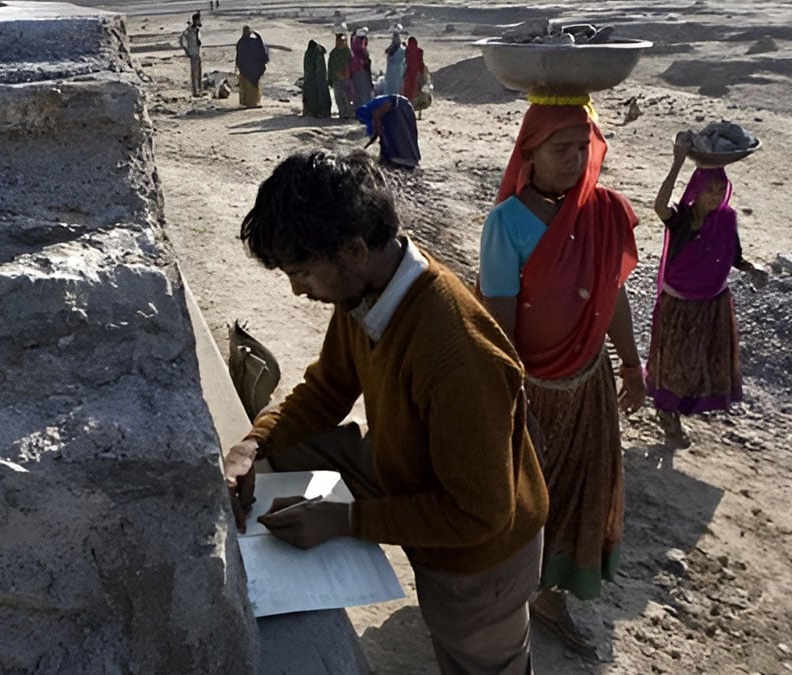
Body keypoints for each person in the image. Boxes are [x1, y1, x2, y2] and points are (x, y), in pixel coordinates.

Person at [226, 150, 550, 674]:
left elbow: (481, 514)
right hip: (425, 485)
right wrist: (252, 445)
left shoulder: (456, 356)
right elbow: (328, 389)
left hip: (481, 561)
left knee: (477, 657)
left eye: (302, 271)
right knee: (289, 449)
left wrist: (347, 520)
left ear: (353, 249)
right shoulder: (368, 292)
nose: (296, 289)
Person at [477, 102, 644, 655]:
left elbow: (611, 295)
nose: (574, 160)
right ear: (529, 154)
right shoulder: (505, 225)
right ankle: (503, 598)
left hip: (589, 384)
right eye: (560, 149)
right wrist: (508, 400)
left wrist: (632, 363)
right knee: (525, 497)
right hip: (533, 391)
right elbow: (498, 323)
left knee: (578, 491)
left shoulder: (605, 213)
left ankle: (551, 597)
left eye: (582, 147)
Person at [646, 134, 767, 447]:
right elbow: (659, 206)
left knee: (700, 360)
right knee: (673, 359)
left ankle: (682, 406)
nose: (714, 196)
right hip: (679, 301)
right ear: (695, 190)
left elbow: (734, 256)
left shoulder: (725, 221)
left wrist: (752, 269)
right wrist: (677, 163)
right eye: (708, 189)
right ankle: (667, 414)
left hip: (713, 303)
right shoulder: (682, 218)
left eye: (719, 189)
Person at [356, 95, 419, 168]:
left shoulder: (374, 110)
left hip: (401, 106)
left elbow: (389, 103)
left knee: (402, 134)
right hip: (396, 109)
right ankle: (393, 157)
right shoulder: (373, 112)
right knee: (390, 134)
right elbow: (376, 130)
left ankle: (406, 159)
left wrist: (378, 130)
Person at [235, 26, 269, 108]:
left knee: (246, 86)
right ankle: (251, 102)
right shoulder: (254, 42)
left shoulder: (242, 42)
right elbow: (263, 53)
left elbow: (239, 56)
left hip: (246, 68)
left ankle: (247, 102)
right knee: (251, 86)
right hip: (252, 68)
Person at [301, 40, 332, 118]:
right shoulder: (318, 53)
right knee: (320, 91)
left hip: (311, 80)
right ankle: (322, 111)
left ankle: (311, 110)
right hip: (318, 80)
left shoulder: (309, 53)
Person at [401, 36, 430, 116]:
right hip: (417, 74)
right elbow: (421, 62)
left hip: (408, 74)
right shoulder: (420, 51)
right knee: (419, 92)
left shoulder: (407, 51)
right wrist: (422, 73)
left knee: (407, 92)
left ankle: (408, 109)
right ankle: (419, 110)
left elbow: (406, 60)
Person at [327, 31, 353, 119]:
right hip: (336, 78)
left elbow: (349, 64)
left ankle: (347, 114)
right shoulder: (334, 53)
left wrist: (345, 74)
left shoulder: (347, 52)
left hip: (345, 78)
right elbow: (332, 66)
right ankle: (343, 114)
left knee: (346, 97)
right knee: (339, 98)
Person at [348, 28, 373, 114]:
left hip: (357, 69)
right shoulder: (359, 47)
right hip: (361, 70)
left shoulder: (355, 45)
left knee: (359, 91)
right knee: (362, 91)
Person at [179, 20, 202, 97]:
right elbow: (182, 41)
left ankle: (199, 89)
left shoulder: (197, 31)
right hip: (192, 54)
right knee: (194, 73)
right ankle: (195, 91)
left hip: (198, 54)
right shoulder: (188, 32)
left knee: (199, 73)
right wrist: (187, 51)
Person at [383, 27, 405, 96]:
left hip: (394, 73)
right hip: (397, 72)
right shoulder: (401, 48)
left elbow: (387, 51)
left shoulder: (396, 48)